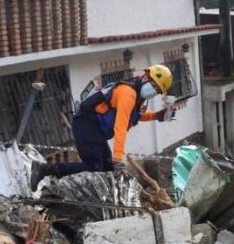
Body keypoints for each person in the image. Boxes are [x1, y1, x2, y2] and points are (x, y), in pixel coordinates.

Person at [30, 64, 173, 191]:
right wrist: (118, 160)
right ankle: (44, 170)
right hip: (87, 123)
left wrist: (156, 115)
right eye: (153, 85)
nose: (153, 90)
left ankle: (110, 198)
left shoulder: (137, 96)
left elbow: (134, 115)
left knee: (107, 168)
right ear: (146, 76)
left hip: (96, 129)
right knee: (94, 166)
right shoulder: (128, 93)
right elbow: (120, 127)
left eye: (157, 90)